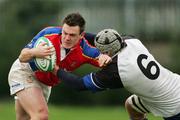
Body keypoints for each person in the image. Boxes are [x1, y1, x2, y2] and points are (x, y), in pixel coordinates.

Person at [55, 29, 180, 120]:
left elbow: (79, 85)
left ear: (107, 52)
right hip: (175, 85)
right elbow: (103, 39)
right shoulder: (132, 41)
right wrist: (70, 33)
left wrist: (56, 70)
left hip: (174, 109)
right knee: (131, 105)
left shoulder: (116, 71)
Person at [8, 13, 111, 120]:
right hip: (25, 71)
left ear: (81, 35)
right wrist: (35, 52)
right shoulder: (48, 33)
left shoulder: (86, 51)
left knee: (24, 118)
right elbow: (22, 57)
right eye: (65, 33)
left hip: (45, 83)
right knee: (41, 115)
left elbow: (103, 59)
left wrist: (105, 59)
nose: (66, 38)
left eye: (72, 35)